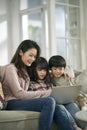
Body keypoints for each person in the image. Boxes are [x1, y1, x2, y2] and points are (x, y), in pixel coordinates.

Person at [0, 39, 74, 130]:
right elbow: (19, 93)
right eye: (30, 55)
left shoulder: (24, 70)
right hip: (11, 103)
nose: (33, 59)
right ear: (20, 52)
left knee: (58, 108)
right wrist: (48, 92)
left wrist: (61, 74)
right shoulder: (10, 69)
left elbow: (43, 73)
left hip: (21, 101)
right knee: (49, 101)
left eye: (34, 56)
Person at [49, 55, 87, 130]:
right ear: (51, 69)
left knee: (73, 106)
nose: (57, 71)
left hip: (68, 101)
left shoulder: (67, 78)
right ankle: (75, 127)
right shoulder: (49, 77)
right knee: (61, 108)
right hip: (57, 103)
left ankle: (85, 127)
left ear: (64, 69)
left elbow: (74, 90)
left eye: (60, 69)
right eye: (55, 69)